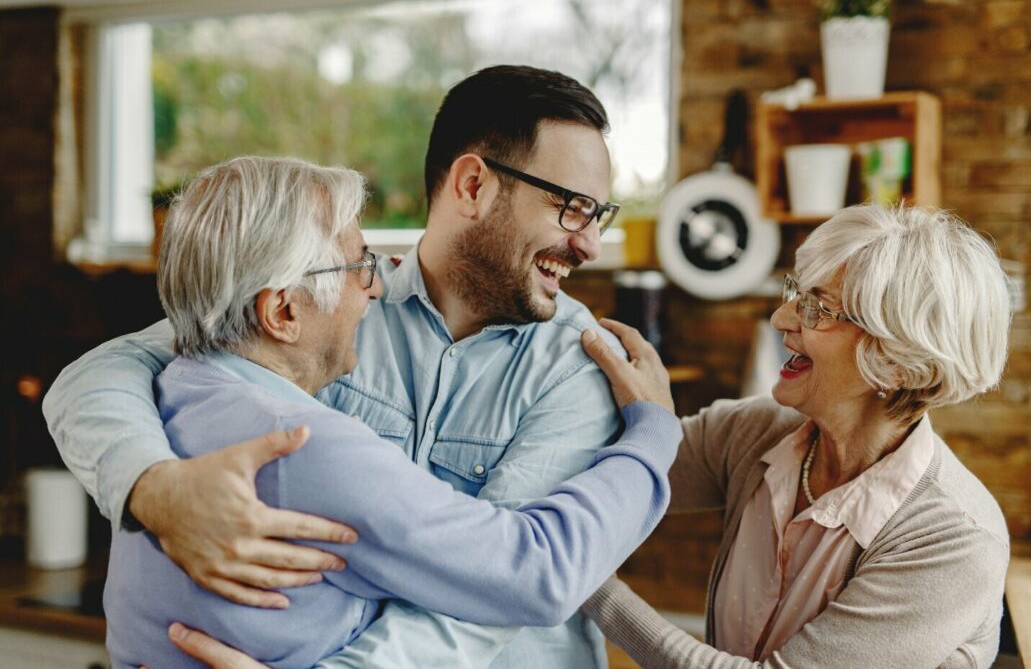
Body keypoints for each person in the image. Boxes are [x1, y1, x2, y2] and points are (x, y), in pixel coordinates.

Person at [44, 66, 625, 668]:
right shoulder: (326, 307)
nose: (589, 245)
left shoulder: (583, 363)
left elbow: (505, 586)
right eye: (571, 208)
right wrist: (153, 487)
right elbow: (101, 373)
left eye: (597, 213)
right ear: (473, 185)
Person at [576, 204, 1013, 668]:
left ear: (897, 359)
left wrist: (583, 580)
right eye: (795, 293)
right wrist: (649, 422)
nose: (781, 319)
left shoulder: (954, 541)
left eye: (816, 309)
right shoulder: (753, 433)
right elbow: (609, 476)